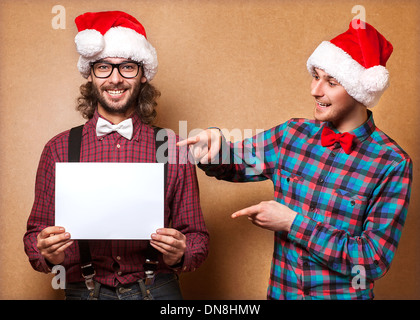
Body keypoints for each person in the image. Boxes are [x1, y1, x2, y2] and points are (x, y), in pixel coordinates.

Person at [179, 20, 412, 299]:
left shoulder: (392, 163)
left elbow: (372, 259)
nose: (315, 90)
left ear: (359, 91)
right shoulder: (293, 134)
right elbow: (236, 162)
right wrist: (215, 146)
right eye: (316, 76)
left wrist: (292, 223)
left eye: (331, 82)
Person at [23, 11, 209, 300]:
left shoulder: (173, 148)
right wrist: (44, 250)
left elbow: (198, 237)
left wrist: (181, 251)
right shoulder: (58, 148)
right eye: (104, 68)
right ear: (90, 73)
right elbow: (35, 237)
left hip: (157, 288)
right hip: (83, 289)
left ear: (144, 73)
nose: (115, 79)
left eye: (127, 68)